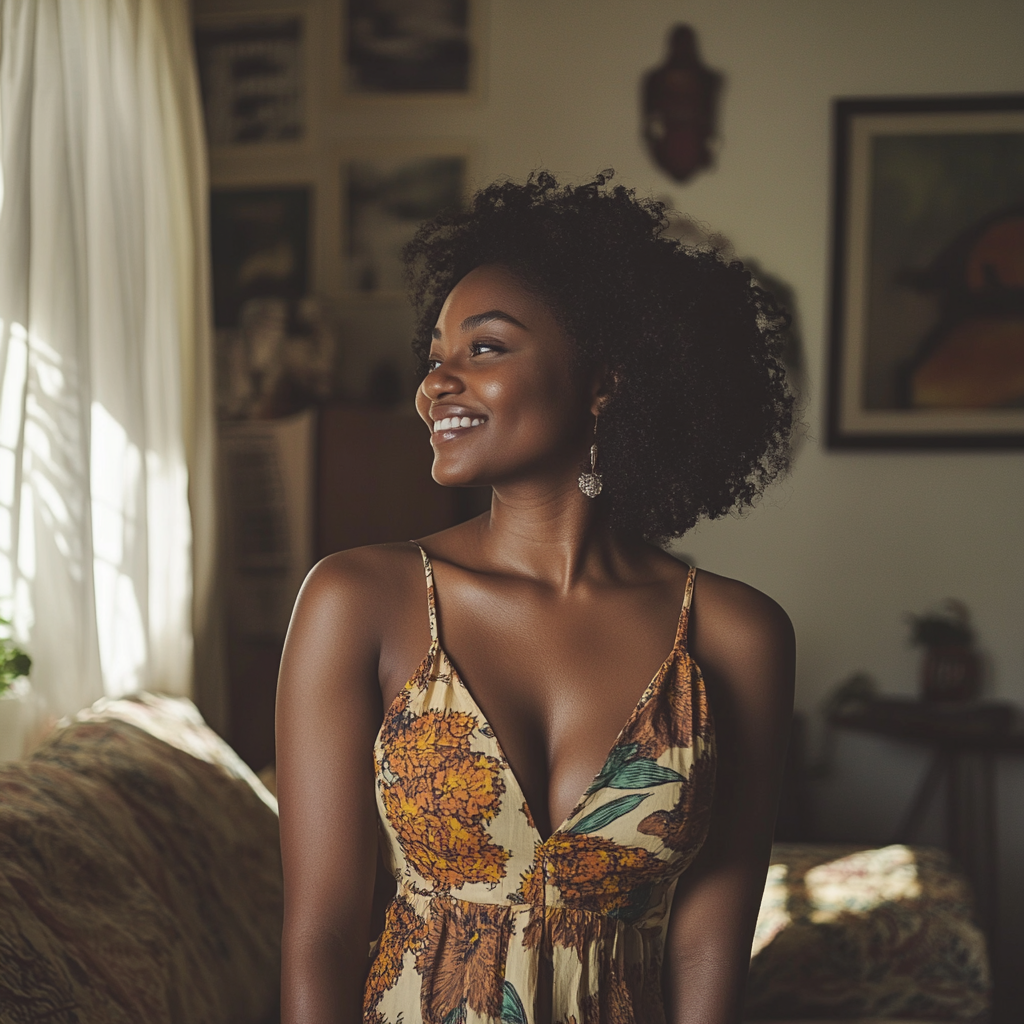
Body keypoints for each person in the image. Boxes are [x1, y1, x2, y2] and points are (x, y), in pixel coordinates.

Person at [276, 171, 796, 1024]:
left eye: (484, 348)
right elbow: (323, 934)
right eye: (434, 355)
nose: (436, 384)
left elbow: (710, 937)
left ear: (606, 381)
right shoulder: (359, 599)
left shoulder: (736, 634)